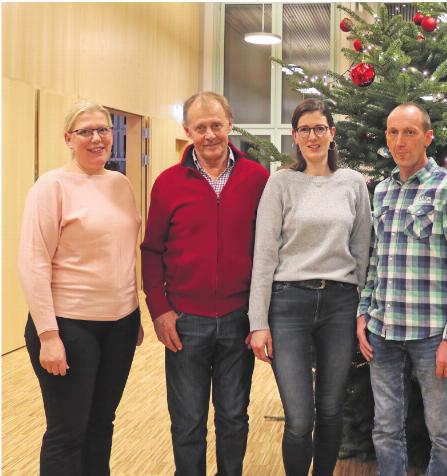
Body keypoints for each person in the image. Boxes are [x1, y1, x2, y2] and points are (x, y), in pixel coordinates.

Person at [141, 91, 269, 476]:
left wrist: (260, 316)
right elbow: (151, 251)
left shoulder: (258, 178)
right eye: (201, 127)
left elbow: (268, 251)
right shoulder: (167, 183)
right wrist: (160, 310)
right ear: (187, 131)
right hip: (185, 322)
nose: (210, 134)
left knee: (233, 416)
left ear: (230, 124)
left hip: (237, 319)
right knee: (187, 421)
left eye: (216, 125)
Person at [18, 100, 143, 476]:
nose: (96, 138)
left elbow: (124, 253)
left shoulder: (120, 183)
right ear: (68, 139)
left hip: (120, 324)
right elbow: (34, 262)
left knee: (101, 425)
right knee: (68, 431)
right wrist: (48, 335)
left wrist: (133, 311)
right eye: (85, 131)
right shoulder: (51, 186)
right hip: (69, 326)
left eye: (103, 129)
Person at [248, 98, 372, 476]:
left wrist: (364, 311)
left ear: (332, 134)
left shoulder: (352, 183)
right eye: (305, 129)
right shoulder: (281, 182)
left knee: (332, 408)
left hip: (339, 303)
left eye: (320, 128)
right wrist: (258, 322)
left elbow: (363, 251)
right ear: (295, 136)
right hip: (288, 305)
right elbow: (265, 254)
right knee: (300, 418)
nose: (313, 136)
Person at [356, 103, 447, 475]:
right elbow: (376, 260)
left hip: (432, 336)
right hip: (383, 332)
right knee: (386, 429)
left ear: (427, 137)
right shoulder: (382, 192)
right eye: (393, 132)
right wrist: (363, 312)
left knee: (442, 431)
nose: (399, 141)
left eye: (409, 132)